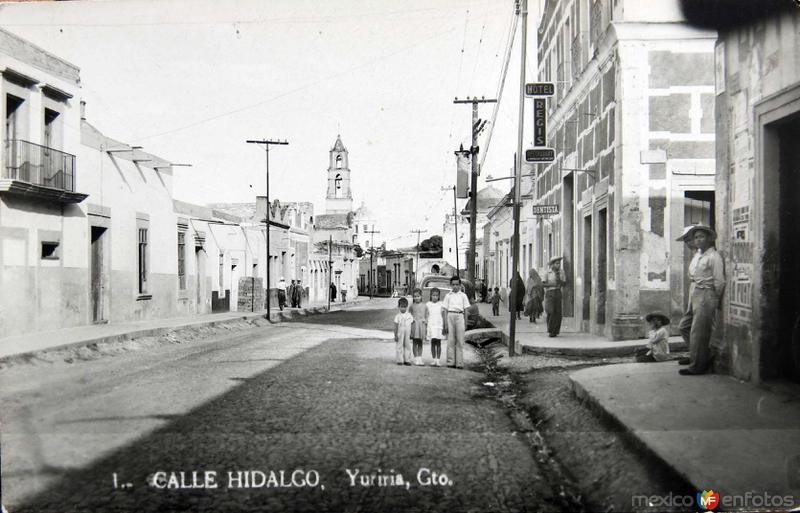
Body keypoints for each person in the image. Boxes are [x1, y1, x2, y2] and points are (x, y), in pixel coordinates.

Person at [676, 225, 725, 376]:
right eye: (696, 237)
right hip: (695, 291)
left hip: (706, 293)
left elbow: (719, 281)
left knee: (699, 332)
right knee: (684, 326)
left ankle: (697, 366)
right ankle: (698, 355)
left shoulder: (714, 257)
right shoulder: (697, 255)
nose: (697, 240)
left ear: (709, 239)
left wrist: (715, 299)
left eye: (701, 237)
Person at [442, 276, 470, 369]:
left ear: (460, 285)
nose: (455, 286)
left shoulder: (463, 296)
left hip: (460, 316)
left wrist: (466, 322)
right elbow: (445, 310)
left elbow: (466, 310)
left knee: (460, 340)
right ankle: (450, 362)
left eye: (457, 284)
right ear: (451, 285)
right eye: (453, 284)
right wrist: (445, 323)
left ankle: (459, 362)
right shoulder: (448, 296)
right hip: (450, 315)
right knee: (450, 340)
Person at [542, 257, 567, 337]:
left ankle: (556, 330)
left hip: (558, 292)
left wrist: (560, 280)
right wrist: (552, 285)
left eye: (559, 263)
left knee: (558, 312)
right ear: (552, 264)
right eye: (556, 263)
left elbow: (564, 283)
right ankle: (550, 330)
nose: (558, 265)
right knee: (551, 311)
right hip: (550, 293)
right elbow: (543, 284)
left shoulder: (562, 272)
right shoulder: (547, 273)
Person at [425, 287, 445, 367]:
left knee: (439, 343)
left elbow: (443, 315)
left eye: (436, 295)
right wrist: (426, 324)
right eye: (433, 295)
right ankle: (434, 360)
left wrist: (444, 325)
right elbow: (427, 315)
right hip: (431, 325)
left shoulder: (441, 304)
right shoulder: (428, 304)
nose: (435, 297)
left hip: (439, 325)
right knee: (433, 343)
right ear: (430, 296)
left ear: (439, 296)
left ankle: (438, 360)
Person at [409, 288, 427, 366]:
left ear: (421, 296)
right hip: (414, 325)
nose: (416, 298)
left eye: (418, 296)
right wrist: (411, 320)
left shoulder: (424, 306)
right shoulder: (412, 306)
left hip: (421, 325)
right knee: (415, 342)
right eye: (415, 296)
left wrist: (425, 321)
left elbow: (427, 315)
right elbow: (409, 315)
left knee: (420, 342)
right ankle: (416, 358)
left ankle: (420, 358)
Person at [394, 297, 414, 366]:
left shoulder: (409, 315)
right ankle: (400, 360)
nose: (403, 309)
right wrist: (395, 335)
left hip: (407, 333)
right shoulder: (397, 316)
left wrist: (412, 333)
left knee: (407, 345)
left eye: (405, 307)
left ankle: (407, 359)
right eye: (401, 307)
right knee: (399, 346)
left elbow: (412, 324)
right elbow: (395, 326)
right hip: (400, 333)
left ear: (407, 307)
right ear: (398, 307)